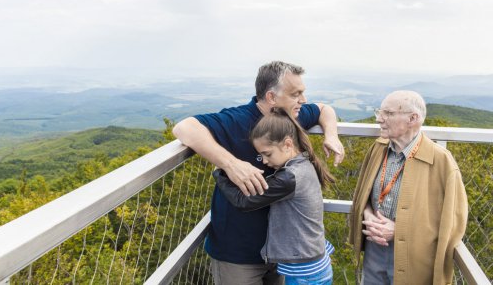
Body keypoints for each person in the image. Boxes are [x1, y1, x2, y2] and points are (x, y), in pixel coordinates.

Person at [173, 61, 345, 284]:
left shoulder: (290, 117)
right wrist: (230, 164)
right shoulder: (237, 120)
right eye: (296, 94)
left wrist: (331, 134)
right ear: (272, 97)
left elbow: (324, 109)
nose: (303, 100)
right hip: (239, 253)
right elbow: (184, 128)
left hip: (282, 254)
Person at [348, 90, 468, 285]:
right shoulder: (378, 148)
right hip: (374, 252)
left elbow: (452, 225)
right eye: (380, 112)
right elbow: (363, 196)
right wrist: (368, 215)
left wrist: (400, 230)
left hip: (414, 260)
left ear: (413, 118)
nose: (379, 119)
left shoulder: (441, 162)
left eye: (388, 113)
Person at [212, 107, 336, 285]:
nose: (264, 161)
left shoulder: (289, 177)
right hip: (315, 262)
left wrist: (221, 173)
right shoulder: (304, 163)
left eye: (267, 154)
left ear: (287, 144)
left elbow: (244, 201)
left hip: (304, 272)